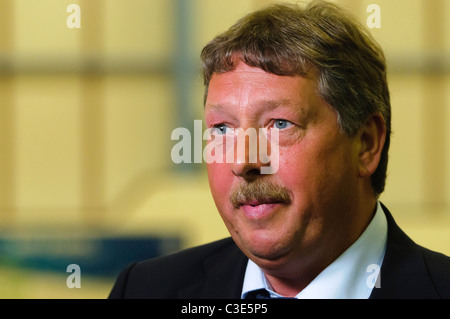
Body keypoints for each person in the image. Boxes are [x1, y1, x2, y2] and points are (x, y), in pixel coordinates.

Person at [109, 1, 450, 299]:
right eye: (222, 129)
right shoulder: (144, 289)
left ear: (366, 144)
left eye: (279, 124)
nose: (244, 162)